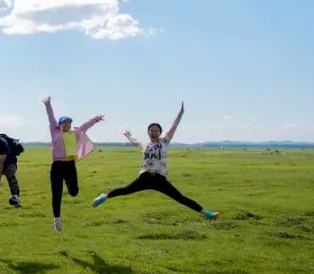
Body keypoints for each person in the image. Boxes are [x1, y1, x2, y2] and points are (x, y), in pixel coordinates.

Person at [92, 102, 219, 219]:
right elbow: (134, 141)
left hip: (160, 179)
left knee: (180, 198)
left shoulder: (165, 141)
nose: (154, 132)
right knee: (125, 190)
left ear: (160, 132)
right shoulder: (144, 144)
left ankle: (206, 213)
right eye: (151, 130)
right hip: (145, 177)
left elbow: (174, 126)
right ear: (148, 132)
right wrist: (128, 135)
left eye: (156, 130)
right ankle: (104, 197)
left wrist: (180, 114)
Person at [43, 96, 104, 232]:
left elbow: (86, 125)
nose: (67, 125)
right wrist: (48, 105)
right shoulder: (55, 132)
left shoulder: (76, 132)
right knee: (56, 193)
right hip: (57, 166)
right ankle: (57, 219)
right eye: (64, 123)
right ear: (60, 124)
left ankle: (71, 191)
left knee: (74, 192)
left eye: (69, 123)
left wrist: (96, 119)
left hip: (70, 165)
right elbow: (51, 118)